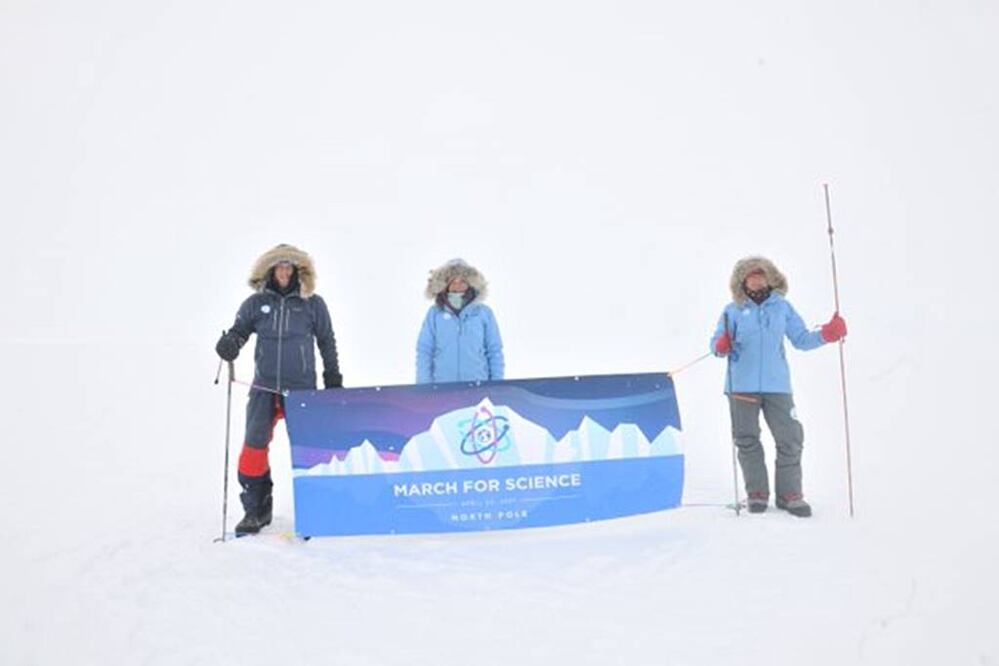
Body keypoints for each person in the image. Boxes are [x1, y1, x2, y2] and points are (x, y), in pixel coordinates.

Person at [215, 244, 343, 534]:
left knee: (310, 451)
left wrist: (332, 376)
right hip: (264, 387)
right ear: (271, 270)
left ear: (297, 271)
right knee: (254, 446)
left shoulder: (313, 304)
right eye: (279, 267)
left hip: (302, 390)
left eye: (289, 267)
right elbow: (239, 331)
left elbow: (326, 341)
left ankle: (316, 512)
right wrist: (230, 343)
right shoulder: (255, 304)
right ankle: (256, 510)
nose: (284, 272)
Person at [710, 256, 847, 517]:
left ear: (770, 277)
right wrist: (721, 345)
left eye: (761, 274)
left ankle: (790, 494)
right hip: (741, 385)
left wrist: (827, 334)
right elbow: (716, 344)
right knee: (747, 439)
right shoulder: (732, 311)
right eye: (751, 275)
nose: (757, 279)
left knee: (790, 438)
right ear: (742, 281)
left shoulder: (782, 308)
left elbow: (802, 339)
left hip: (777, 386)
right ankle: (757, 494)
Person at [416, 258, 505, 384]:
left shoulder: (484, 313)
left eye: (462, 281)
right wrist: (424, 386)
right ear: (445, 286)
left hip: (478, 387)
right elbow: (425, 351)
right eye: (453, 281)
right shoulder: (434, 314)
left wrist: (497, 385)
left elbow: (494, 350)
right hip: (443, 388)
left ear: (470, 284)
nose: (458, 285)